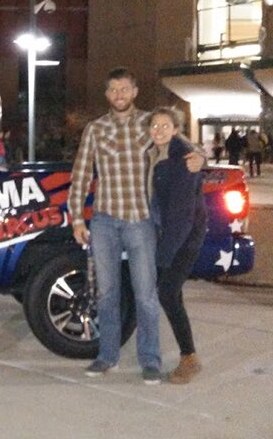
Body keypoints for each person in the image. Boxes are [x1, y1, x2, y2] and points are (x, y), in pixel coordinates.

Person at [67, 67, 203, 385]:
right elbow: (82, 174)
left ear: (135, 91)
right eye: (113, 90)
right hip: (104, 221)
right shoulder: (95, 129)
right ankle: (108, 355)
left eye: (125, 89)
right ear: (106, 94)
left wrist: (200, 157)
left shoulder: (149, 123)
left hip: (140, 222)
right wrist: (76, 217)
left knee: (145, 295)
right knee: (107, 293)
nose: (119, 95)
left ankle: (150, 360)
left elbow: (184, 145)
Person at [147, 107, 206, 384]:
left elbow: (182, 214)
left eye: (164, 126)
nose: (158, 130)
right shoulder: (158, 153)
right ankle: (189, 355)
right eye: (154, 126)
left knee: (168, 293)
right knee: (172, 293)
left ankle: (189, 357)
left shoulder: (182, 158)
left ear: (176, 129)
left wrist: (164, 255)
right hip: (172, 234)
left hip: (184, 237)